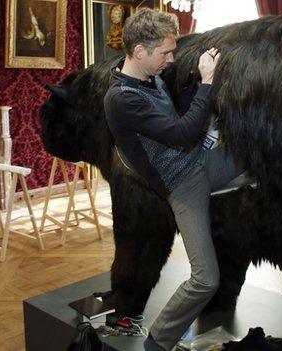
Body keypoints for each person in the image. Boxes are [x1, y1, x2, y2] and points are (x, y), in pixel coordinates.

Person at [103, 8, 244, 351]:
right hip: (184, 186)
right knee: (205, 280)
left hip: (201, 161)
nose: (171, 58)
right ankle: (158, 342)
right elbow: (181, 134)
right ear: (139, 51)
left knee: (265, 153)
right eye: (165, 52)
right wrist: (209, 81)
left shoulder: (149, 76)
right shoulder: (122, 99)